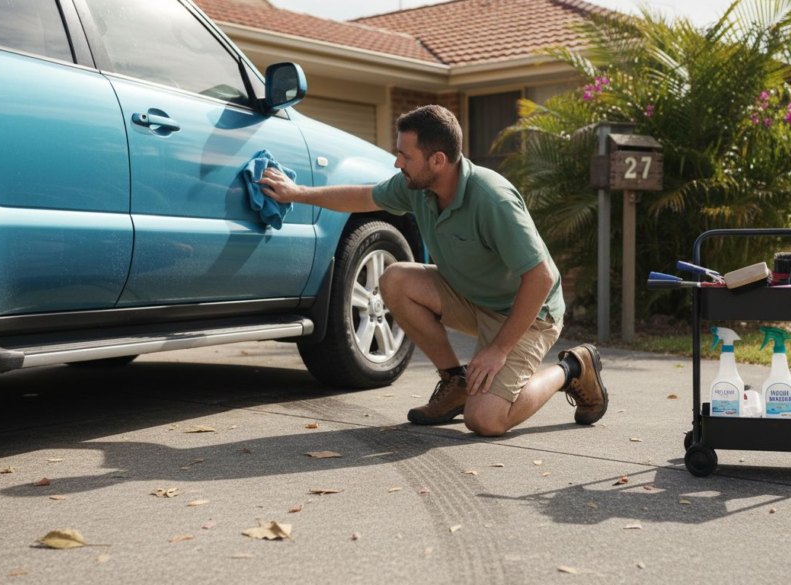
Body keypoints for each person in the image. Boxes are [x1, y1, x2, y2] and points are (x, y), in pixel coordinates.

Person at [258, 105, 608, 437]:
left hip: (528, 314)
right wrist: (297, 193)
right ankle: (455, 383)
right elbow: (362, 197)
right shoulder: (419, 189)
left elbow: (541, 277)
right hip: (473, 299)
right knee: (396, 279)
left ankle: (573, 368)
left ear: (438, 160)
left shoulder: (492, 199)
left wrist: (498, 348)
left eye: (405, 156)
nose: (397, 163)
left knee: (486, 420)